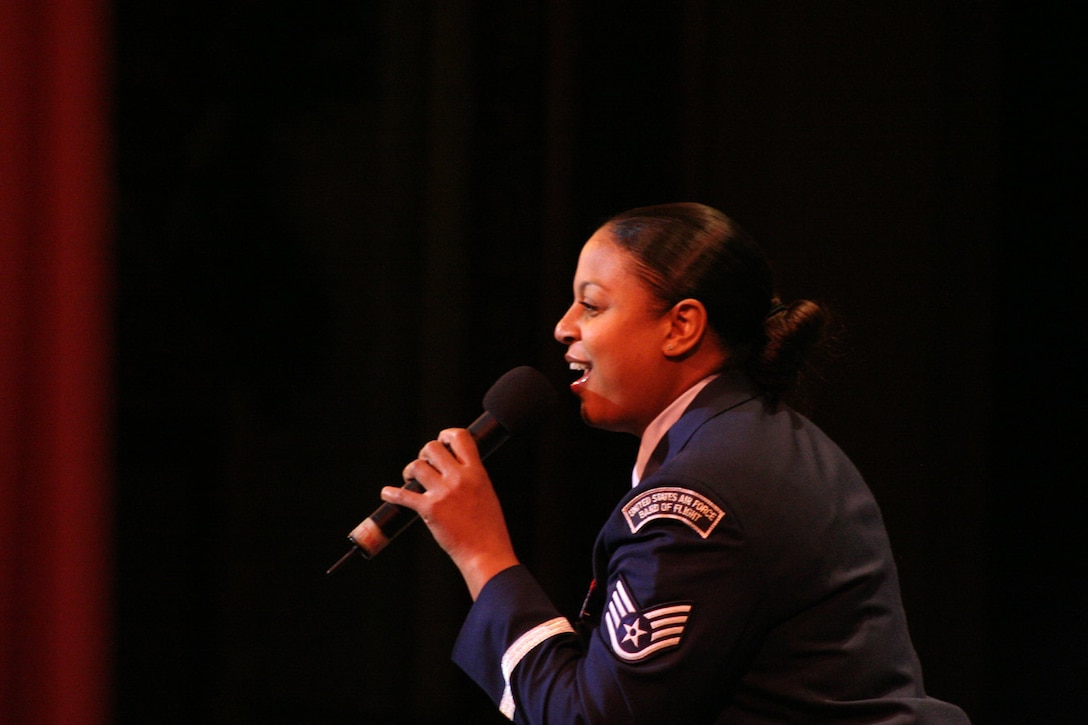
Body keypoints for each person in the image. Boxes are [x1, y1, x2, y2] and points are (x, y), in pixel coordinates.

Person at [380, 202, 971, 723]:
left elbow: (593, 717)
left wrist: (482, 553)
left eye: (591, 305)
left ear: (681, 325)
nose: (563, 327)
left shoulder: (699, 496)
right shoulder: (758, 438)